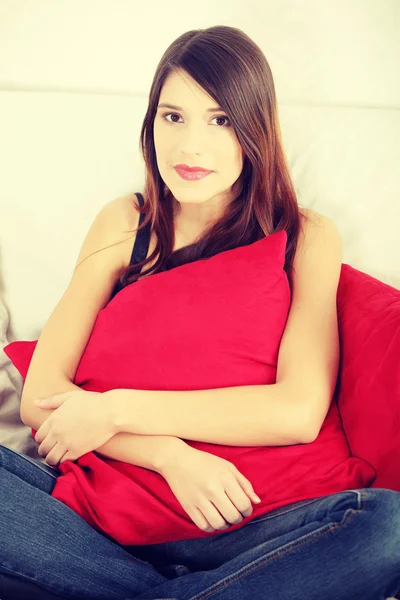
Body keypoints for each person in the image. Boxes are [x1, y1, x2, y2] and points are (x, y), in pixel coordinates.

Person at [1, 25, 399, 600]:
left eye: (220, 120)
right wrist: (169, 456)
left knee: (386, 526)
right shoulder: (125, 223)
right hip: (102, 525)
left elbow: (298, 410)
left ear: (255, 129)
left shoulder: (306, 235)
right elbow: (43, 396)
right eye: (173, 116)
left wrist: (115, 409)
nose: (190, 146)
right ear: (151, 124)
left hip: (260, 526)